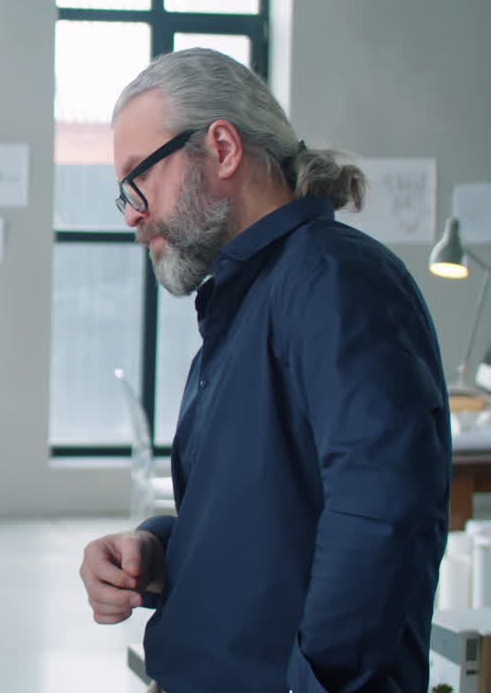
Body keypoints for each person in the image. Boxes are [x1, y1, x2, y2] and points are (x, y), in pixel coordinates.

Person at [79, 48, 451, 693]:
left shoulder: (335, 279)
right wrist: (161, 548)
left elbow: (383, 519)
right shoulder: (250, 294)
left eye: (137, 181)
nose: (134, 215)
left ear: (222, 148)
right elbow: (271, 511)